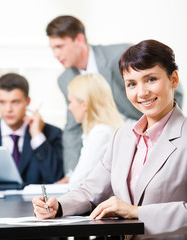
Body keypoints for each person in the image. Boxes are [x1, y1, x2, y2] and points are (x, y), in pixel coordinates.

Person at [32, 40, 187, 240]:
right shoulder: (122, 137)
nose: (141, 93)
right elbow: (90, 191)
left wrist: (136, 213)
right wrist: (58, 206)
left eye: (151, 79)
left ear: (173, 79)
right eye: (132, 84)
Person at [46, 15, 184, 178]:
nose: (55, 54)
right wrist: (71, 173)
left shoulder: (120, 56)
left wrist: (163, 133)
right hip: (107, 149)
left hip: (148, 133)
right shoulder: (65, 79)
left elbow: (173, 92)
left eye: (60, 46)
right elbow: (72, 128)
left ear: (79, 39)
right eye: (52, 48)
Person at [0, 73, 63, 184]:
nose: (8, 109)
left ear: (27, 101)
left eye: (15, 102)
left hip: (34, 201)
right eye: (2, 102)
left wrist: (37, 135)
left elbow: (57, 179)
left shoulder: (52, 133)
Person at [56, 73, 124, 190]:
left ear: (84, 105)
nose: (70, 107)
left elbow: (78, 183)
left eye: (71, 102)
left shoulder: (100, 133)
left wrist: (72, 180)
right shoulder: (101, 130)